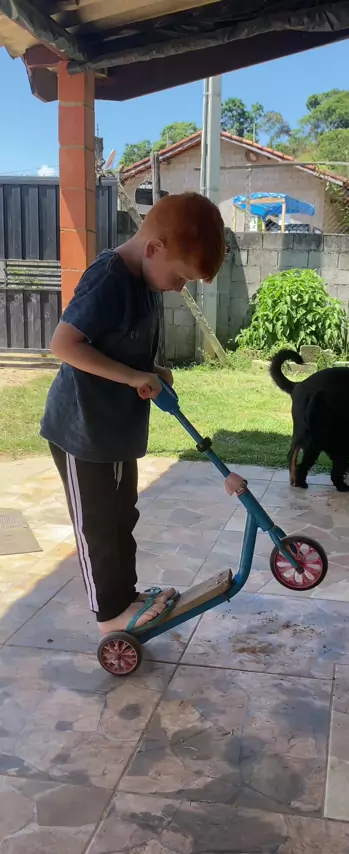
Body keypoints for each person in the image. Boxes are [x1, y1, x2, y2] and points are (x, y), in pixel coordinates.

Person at [41, 192, 225, 637]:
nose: (179, 288)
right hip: (82, 431)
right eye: (179, 277)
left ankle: (126, 598)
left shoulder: (146, 278)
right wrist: (131, 377)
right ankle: (110, 616)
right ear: (154, 247)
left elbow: (120, 345)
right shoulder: (109, 277)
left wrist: (151, 370)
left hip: (116, 430)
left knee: (123, 517)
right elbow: (63, 344)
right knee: (99, 527)